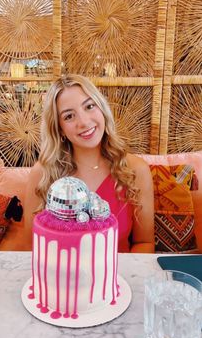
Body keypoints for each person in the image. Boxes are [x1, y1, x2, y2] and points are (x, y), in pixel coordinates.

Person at [23, 74, 154, 253]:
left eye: (89, 106)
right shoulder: (43, 173)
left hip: (118, 278)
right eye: (69, 116)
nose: (84, 122)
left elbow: (144, 243)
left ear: (102, 109)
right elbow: (32, 246)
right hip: (60, 278)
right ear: (59, 128)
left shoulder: (136, 170)